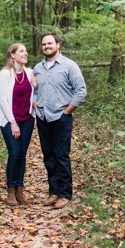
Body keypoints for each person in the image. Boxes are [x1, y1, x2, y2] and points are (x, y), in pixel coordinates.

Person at [33, 33, 87, 209]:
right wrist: (35, 104)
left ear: (57, 44)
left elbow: (81, 91)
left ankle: (65, 194)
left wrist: (67, 111)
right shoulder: (38, 68)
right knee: (49, 157)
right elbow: (35, 89)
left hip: (61, 117)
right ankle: (53, 192)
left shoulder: (69, 66)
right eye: (44, 44)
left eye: (50, 43)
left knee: (61, 156)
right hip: (43, 117)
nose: (47, 46)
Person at [0, 43, 37, 206]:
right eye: (22, 51)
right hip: (10, 120)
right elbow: (3, 101)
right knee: (14, 153)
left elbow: (36, 93)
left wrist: (36, 86)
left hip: (27, 119)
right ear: (12, 55)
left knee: (22, 154)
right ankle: (11, 191)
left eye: (26, 51)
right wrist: (13, 123)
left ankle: (20, 191)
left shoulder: (30, 72)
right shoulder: (5, 74)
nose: (25, 53)